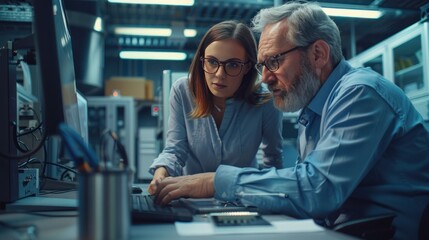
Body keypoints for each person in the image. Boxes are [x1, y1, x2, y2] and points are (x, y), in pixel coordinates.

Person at [152, 2, 429, 240]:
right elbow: (301, 184)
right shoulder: (314, 108)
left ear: (318, 54)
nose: (265, 79)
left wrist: (215, 182)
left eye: (274, 62)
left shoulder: (359, 93)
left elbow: (317, 190)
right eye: (262, 66)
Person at [147, 20, 284, 194]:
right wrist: (161, 174)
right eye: (212, 62)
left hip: (241, 199)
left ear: (247, 67)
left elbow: (273, 160)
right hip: (188, 198)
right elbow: (175, 149)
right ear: (201, 62)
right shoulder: (183, 91)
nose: (219, 75)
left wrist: (269, 197)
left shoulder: (266, 99)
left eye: (233, 65)